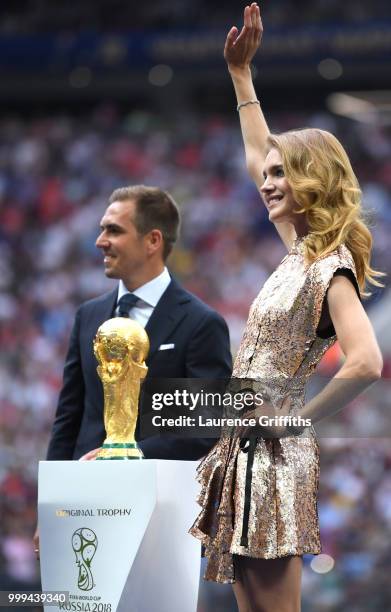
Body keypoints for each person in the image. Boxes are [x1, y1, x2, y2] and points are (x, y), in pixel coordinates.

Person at [189, 4, 383, 612]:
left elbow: (366, 362)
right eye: (268, 174)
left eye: (282, 174)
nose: (266, 181)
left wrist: (296, 420)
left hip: (274, 455)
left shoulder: (328, 267)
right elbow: (254, 154)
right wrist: (241, 77)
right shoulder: (300, 255)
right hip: (245, 447)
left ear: (313, 183)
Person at [34, 184, 232, 555]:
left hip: (158, 511)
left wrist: (124, 455)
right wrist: (50, 507)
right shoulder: (88, 316)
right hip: (82, 502)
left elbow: (204, 427)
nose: (99, 241)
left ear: (152, 240)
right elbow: (69, 418)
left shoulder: (201, 323)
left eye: (114, 230)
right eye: (102, 229)